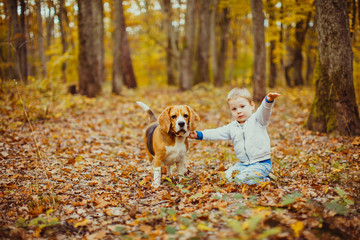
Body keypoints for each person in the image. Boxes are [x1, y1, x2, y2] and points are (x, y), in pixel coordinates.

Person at [189, 88, 280, 184]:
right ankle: (258, 179)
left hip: (262, 164)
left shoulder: (258, 120)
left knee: (240, 179)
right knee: (225, 177)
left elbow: (264, 111)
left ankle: (265, 180)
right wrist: (198, 134)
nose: (238, 111)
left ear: (252, 105)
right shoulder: (232, 127)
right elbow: (216, 132)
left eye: (242, 106)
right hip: (243, 165)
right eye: (234, 109)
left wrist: (268, 101)